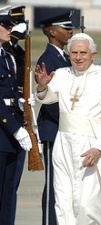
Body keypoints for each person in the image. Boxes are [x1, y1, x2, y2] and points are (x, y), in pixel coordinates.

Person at [35, 33, 101, 225]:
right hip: (64, 146)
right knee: (64, 202)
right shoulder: (62, 74)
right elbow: (48, 97)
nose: (78, 57)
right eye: (74, 53)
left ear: (93, 54)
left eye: (83, 53)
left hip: (91, 147)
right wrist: (43, 87)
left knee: (87, 205)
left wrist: (100, 148)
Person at [36, 11, 74, 225]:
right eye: (65, 27)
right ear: (52, 31)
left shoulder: (64, 57)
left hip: (66, 129)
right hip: (55, 128)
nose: (70, 31)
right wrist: (70, 120)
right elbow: (50, 101)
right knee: (53, 184)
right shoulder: (47, 59)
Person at [0, 5, 32, 224]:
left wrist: (20, 103)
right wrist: (16, 129)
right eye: (5, 25)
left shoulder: (8, 57)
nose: (10, 29)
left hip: (10, 135)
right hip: (4, 131)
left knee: (8, 195)